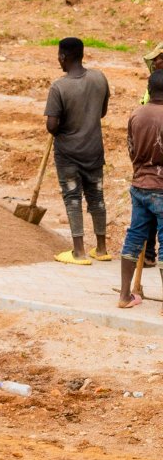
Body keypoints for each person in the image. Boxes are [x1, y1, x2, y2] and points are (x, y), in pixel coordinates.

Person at [46, 37, 112, 264]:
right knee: (97, 198)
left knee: (73, 198)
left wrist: (64, 124)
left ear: (63, 57)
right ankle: (102, 249)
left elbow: (51, 126)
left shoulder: (59, 87)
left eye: (59, 57)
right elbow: (101, 112)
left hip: (69, 155)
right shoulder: (99, 78)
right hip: (94, 151)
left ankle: (79, 252)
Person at [120, 70, 163, 308]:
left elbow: (131, 150)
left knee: (134, 237)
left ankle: (125, 295)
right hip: (161, 187)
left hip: (140, 185)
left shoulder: (137, 114)